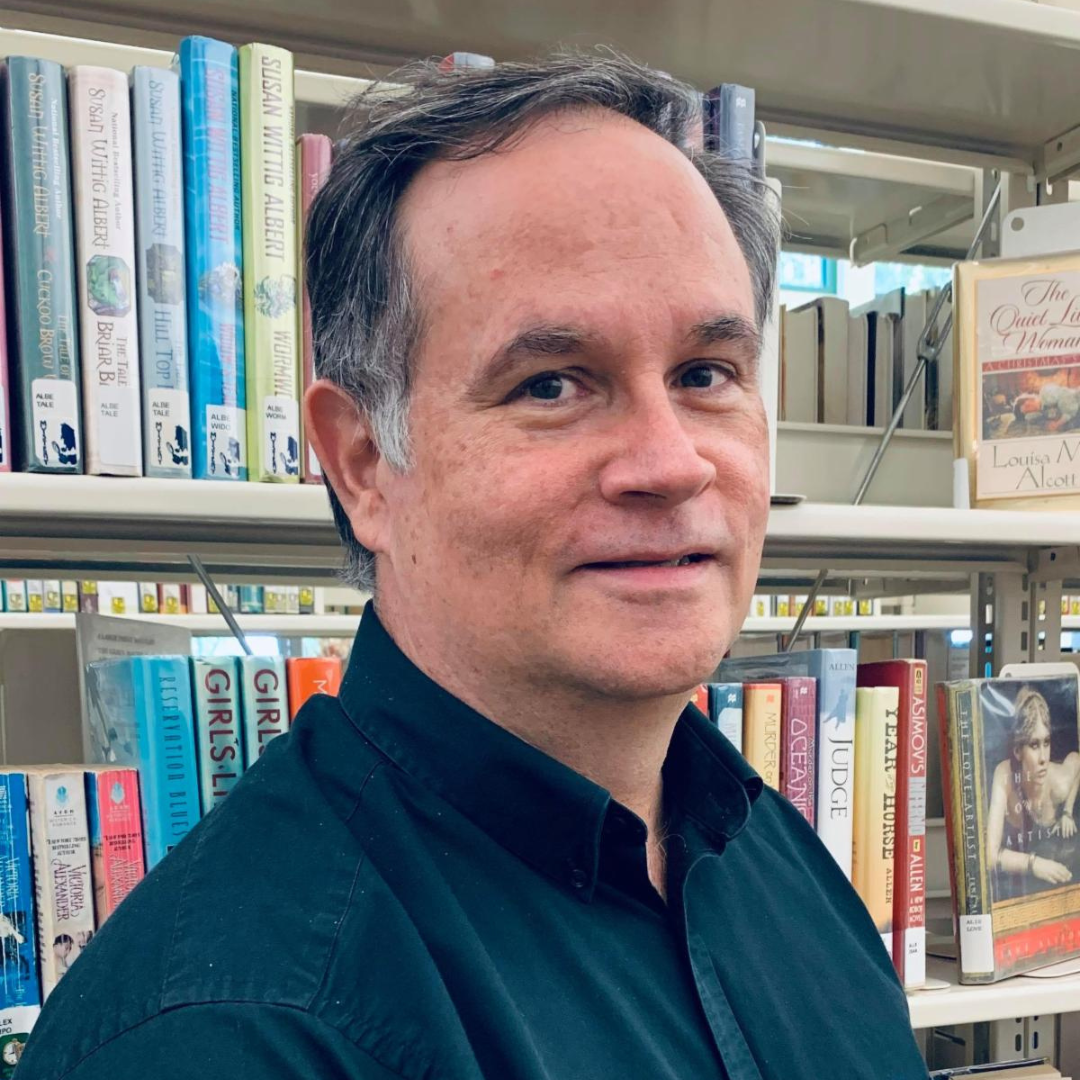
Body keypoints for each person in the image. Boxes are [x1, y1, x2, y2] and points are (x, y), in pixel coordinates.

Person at [17, 52, 928, 1079]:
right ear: (363, 463)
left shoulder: (771, 851)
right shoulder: (226, 1034)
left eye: (706, 373)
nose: (672, 463)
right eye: (551, 385)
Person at [987, 686, 1080, 894]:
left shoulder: (1059, 784)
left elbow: (1076, 760)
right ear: (1018, 751)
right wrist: (1034, 864)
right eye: (1034, 745)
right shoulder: (1004, 775)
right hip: (1018, 884)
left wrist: (1067, 812)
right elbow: (990, 856)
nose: (1043, 758)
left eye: (1046, 742)